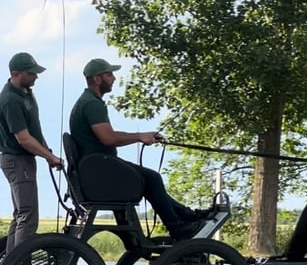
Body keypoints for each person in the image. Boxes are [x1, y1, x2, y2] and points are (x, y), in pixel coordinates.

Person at [69, 57, 209, 240]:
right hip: (100, 170)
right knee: (152, 178)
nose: (114, 78)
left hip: (99, 168)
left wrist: (143, 135)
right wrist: (139, 137)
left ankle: (188, 216)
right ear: (97, 78)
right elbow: (108, 138)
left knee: (150, 179)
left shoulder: (88, 101)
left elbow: (107, 134)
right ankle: (178, 227)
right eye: (109, 74)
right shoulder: (92, 104)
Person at [0, 52, 64, 254]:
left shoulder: (26, 93)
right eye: (31, 73)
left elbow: (34, 130)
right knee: (27, 215)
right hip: (17, 160)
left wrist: (46, 151)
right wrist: (50, 157)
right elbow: (23, 138)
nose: (36, 77)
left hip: (25, 160)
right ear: (16, 74)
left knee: (20, 215)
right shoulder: (10, 100)